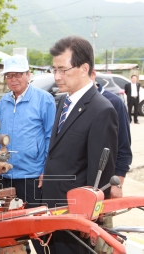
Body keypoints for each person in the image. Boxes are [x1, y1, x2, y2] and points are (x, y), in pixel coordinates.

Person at [39, 36, 119, 254]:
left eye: (63, 70)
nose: (57, 77)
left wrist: (90, 215)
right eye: (54, 70)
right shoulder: (65, 101)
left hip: (77, 214)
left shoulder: (101, 110)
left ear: (84, 68)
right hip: (54, 206)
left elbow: (101, 172)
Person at [0, 55, 56, 207]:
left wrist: (46, 170)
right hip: (6, 173)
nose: (13, 79)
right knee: (6, 222)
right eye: (9, 75)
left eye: (18, 74)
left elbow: (52, 137)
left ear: (28, 75)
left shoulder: (44, 99)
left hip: (33, 174)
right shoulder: (3, 102)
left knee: (32, 221)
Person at [92, 69, 132, 253]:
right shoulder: (69, 102)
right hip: (79, 187)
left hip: (105, 185)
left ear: (91, 74)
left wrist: (118, 183)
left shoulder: (113, 102)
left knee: (103, 242)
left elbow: (124, 147)